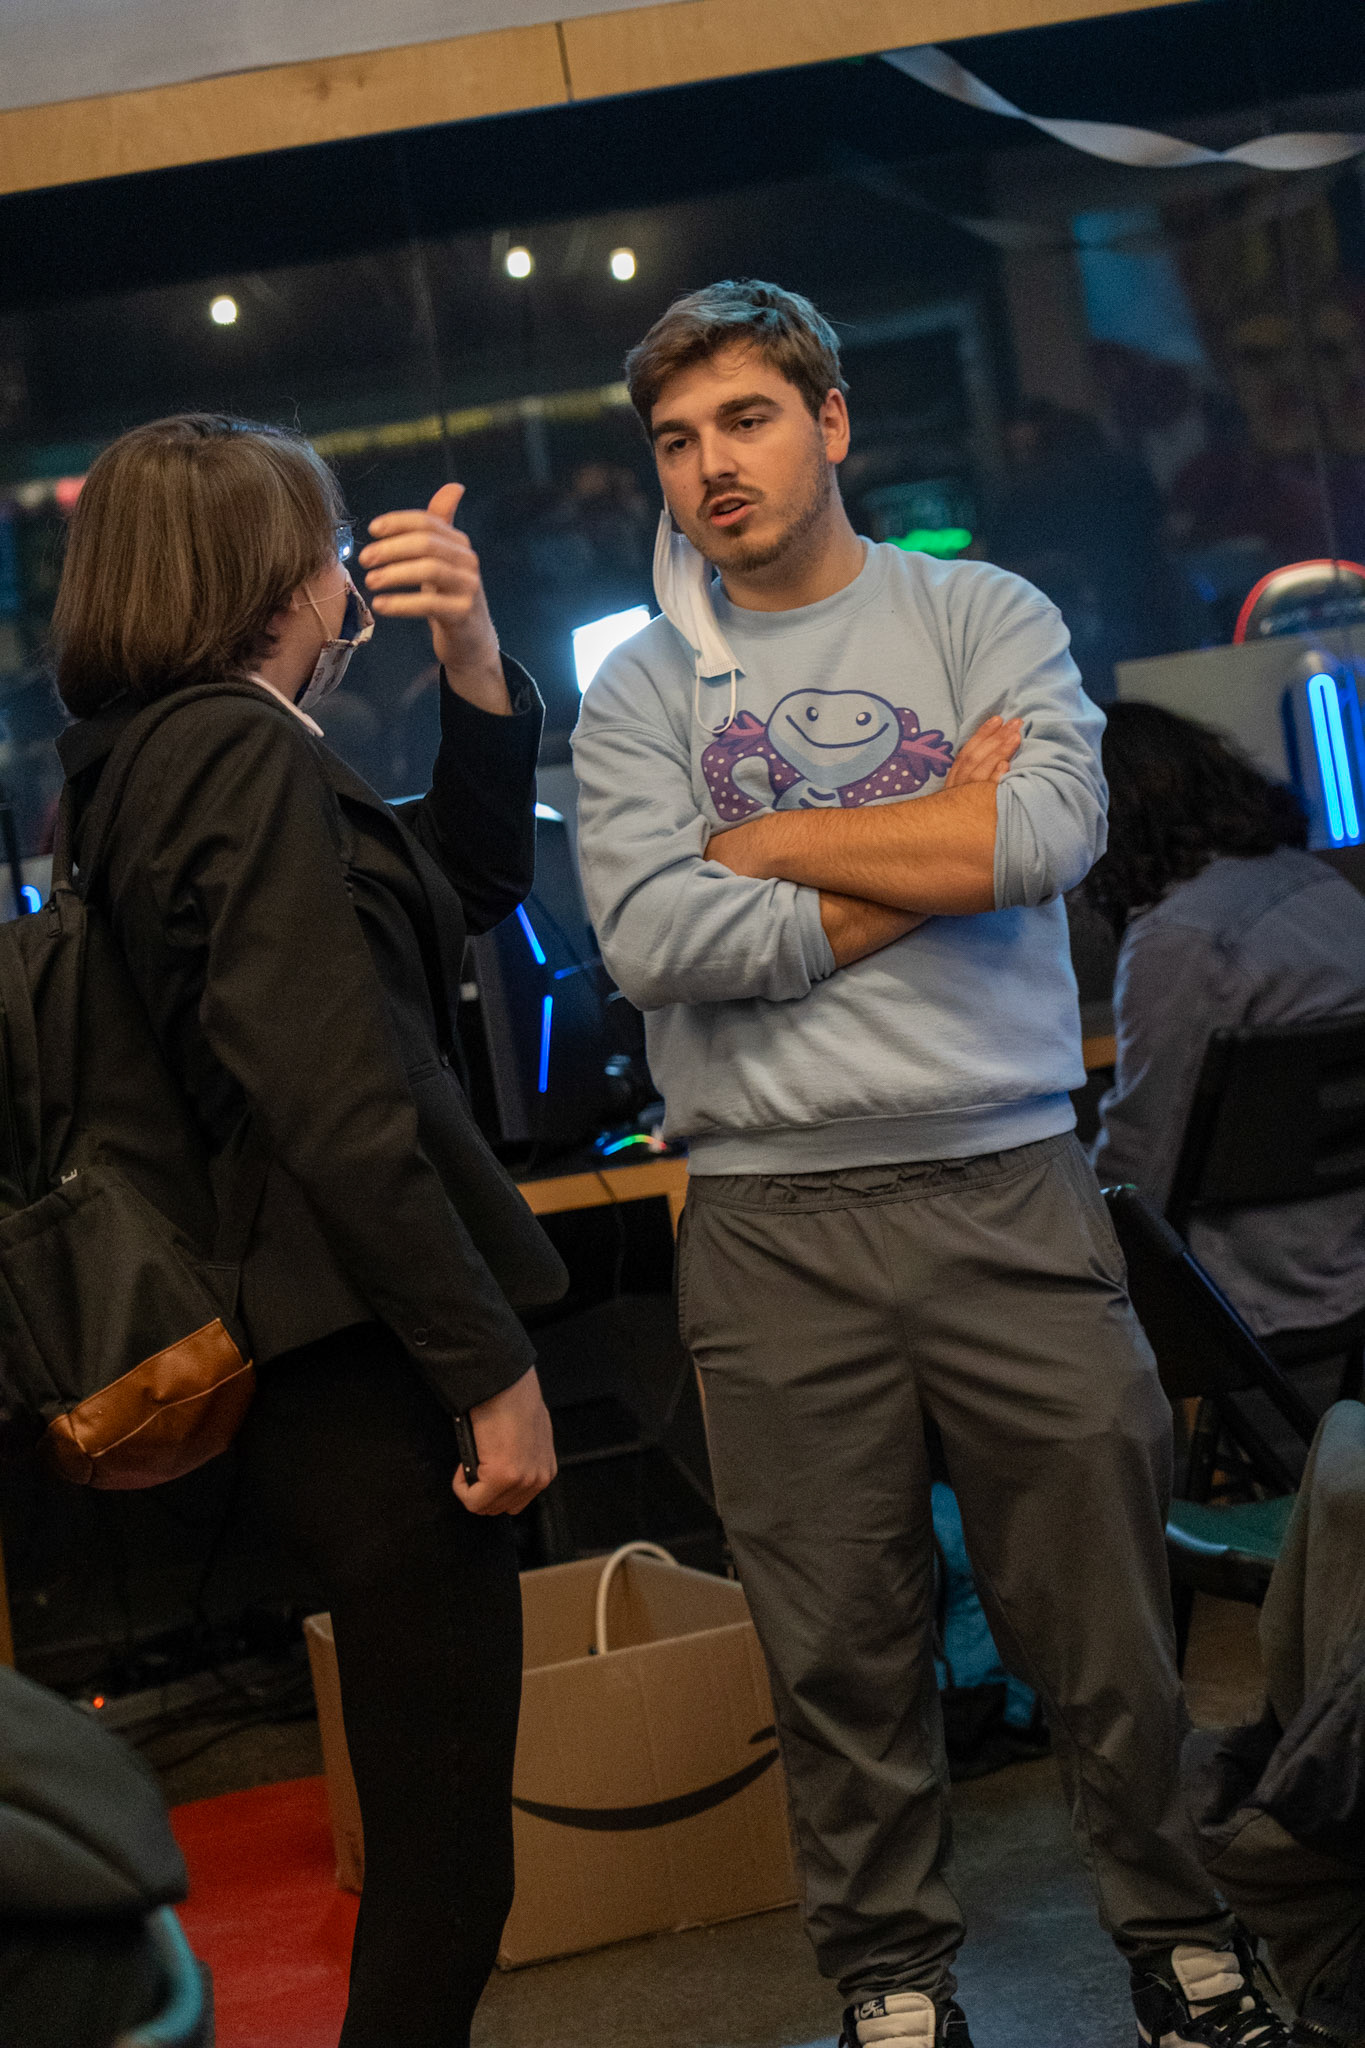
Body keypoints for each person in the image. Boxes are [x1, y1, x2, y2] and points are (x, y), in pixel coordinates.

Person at [572, 282, 1285, 2048]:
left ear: (830, 422)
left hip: (1006, 1180)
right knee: (837, 1647)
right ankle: (893, 1984)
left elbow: (1045, 831)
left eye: (746, 418)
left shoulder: (981, 613)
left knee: (1107, 1626)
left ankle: (1181, 1940)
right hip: (766, 1218)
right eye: (676, 439)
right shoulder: (640, 689)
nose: (711, 464)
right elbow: (656, 940)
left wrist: (765, 842)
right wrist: (934, 848)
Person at [49, 413, 567, 2048]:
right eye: (333, 546)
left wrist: (471, 656)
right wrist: (487, 1364)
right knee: (442, 1860)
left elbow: (459, 885)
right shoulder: (235, 750)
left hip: (309, 1339)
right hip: (364, 1345)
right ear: (277, 575)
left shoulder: (146, 757)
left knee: (432, 1844)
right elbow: (337, 1094)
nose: (348, 575)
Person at [1087, 701, 1365, 1363]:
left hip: (1255, 1289)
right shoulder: (1319, 885)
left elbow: (1138, 1180)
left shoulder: (1180, 938)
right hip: (1350, 1251)